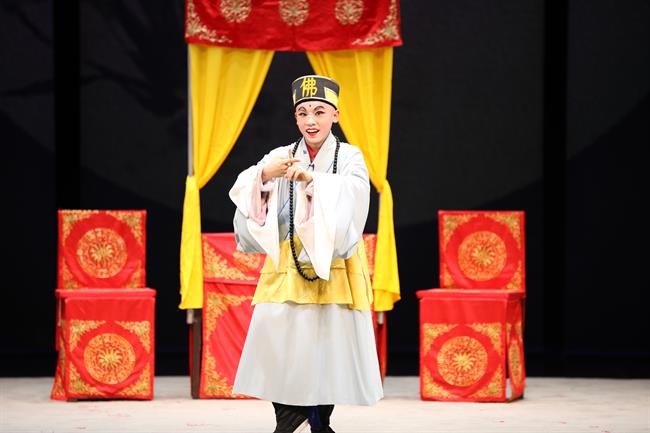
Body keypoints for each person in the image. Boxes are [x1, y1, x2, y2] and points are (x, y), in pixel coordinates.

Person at [229, 75, 383, 433]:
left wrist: (313, 181)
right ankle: (288, 416)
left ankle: (319, 420)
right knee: (279, 341)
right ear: (295, 117)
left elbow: (356, 194)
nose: (310, 120)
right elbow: (249, 195)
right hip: (289, 263)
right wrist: (264, 175)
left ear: (335, 115)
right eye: (303, 113)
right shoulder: (281, 155)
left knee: (328, 343)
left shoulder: (349, 156)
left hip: (335, 264)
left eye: (319, 112)